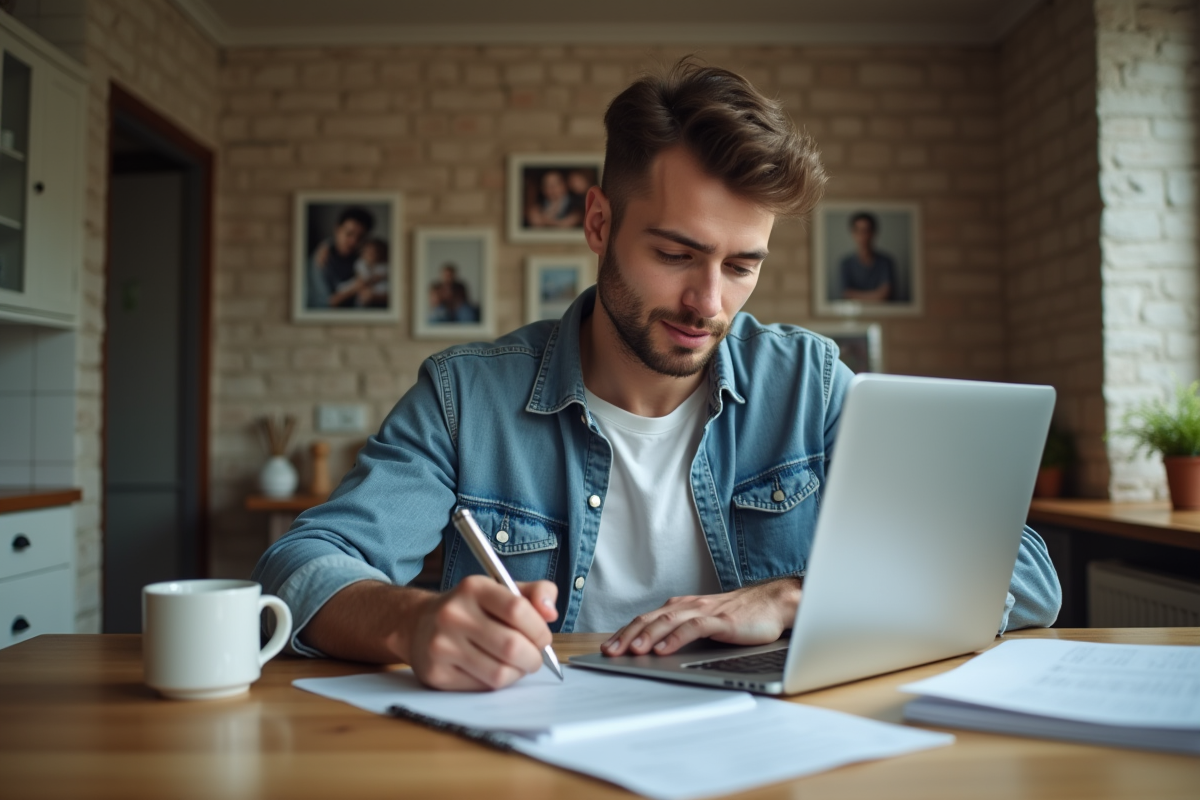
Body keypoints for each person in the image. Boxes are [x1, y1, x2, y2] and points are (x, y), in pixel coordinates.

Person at [253, 60, 1061, 692]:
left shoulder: (809, 385)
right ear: (599, 224)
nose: (709, 303)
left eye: (742, 265)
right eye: (676, 254)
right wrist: (413, 624)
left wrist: (793, 596)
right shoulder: (468, 397)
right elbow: (305, 562)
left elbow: (1019, 569)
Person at [312, 206, 374, 309]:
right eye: (349, 233)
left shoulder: (365, 260)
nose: (353, 241)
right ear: (337, 230)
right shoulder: (321, 258)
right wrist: (356, 287)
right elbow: (322, 304)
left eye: (360, 237)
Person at [837, 212, 897, 302]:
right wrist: (876, 296)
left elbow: (885, 294)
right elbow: (846, 294)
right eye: (858, 231)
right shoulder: (846, 263)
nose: (862, 236)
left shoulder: (886, 262)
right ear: (853, 233)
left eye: (866, 231)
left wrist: (857, 296)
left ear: (873, 233)